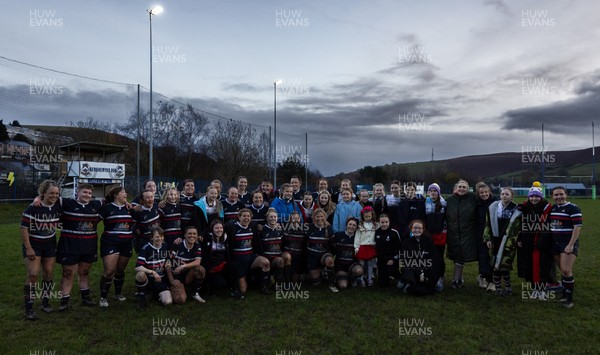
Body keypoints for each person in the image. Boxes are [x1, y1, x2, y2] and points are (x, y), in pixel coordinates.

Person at [54, 183, 101, 310]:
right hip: (69, 246)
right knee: (68, 273)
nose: (87, 195)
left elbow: (113, 199)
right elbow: (49, 197)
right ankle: (64, 302)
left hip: (89, 246)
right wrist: (38, 198)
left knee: (84, 272)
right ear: (77, 193)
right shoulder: (68, 203)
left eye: (90, 193)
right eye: (84, 192)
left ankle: (86, 298)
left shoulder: (96, 205)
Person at [21, 180, 62, 320]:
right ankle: (29, 308)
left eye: (57, 193)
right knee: (33, 274)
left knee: (49, 273)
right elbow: (24, 228)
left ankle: (45, 302)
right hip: (34, 246)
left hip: (50, 246)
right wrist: (28, 248)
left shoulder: (58, 206)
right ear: (44, 193)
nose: (54, 196)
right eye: (51, 193)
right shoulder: (33, 208)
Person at [515, 182, 553, 300]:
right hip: (528, 241)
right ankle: (534, 288)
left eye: (536, 196)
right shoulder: (525, 207)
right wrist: (520, 238)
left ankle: (542, 289)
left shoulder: (547, 208)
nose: (534, 198)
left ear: (541, 197)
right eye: (532, 196)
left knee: (542, 265)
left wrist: (544, 239)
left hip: (542, 240)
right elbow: (522, 225)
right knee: (530, 264)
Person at [98, 186, 134, 307]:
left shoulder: (130, 208)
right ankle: (103, 297)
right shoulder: (106, 208)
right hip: (110, 242)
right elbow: (93, 221)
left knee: (120, 270)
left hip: (126, 243)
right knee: (109, 271)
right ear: (115, 195)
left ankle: (118, 294)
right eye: (123, 192)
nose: (126, 194)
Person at [225, 209, 271, 299]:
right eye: (244, 216)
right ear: (239, 217)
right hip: (238, 260)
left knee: (265, 262)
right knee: (243, 291)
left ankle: (263, 287)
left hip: (250, 257)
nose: (246, 218)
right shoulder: (232, 226)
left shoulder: (253, 226)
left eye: (248, 216)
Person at [550, 186, 582, 308]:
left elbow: (577, 227)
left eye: (561, 194)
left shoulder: (573, 208)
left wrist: (570, 244)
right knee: (563, 270)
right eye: (556, 195)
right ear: (552, 196)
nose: (559, 197)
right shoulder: (553, 208)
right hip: (555, 243)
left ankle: (569, 299)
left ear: (566, 195)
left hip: (567, 243)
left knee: (566, 270)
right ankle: (564, 294)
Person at [483, 187, 520, 296]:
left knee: (504, 265)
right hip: (495, 239)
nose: (504, 196)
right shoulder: (493, 207)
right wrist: (487, 238)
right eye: (502, 194)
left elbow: (519, 227)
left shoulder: (516, 209)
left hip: (508, 241)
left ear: (512, 196)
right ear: (500, 195)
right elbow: (487, 224)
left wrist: (516, 240)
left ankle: (508, 288)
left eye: (507, 194)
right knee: (494, 264)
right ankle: (498, 287)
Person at [445, 179, 478, 289]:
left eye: (464, 187)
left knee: (461, 256)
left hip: (467, 233)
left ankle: (456, 279)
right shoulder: (450, 200)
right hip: (453, 232)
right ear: (456, 188)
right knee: (457, 256)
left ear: (468, 189)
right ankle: (458, 279)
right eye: (460, 186)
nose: (462, 189)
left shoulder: (473, 198)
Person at [398, 220, 440, 296]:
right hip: (412, 268)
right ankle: (409, 284)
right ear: (411, 229)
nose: (417, 230)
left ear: (423, 229)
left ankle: (425, 284)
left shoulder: (428, 241)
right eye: (415, 228)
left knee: (436, 266)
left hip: (426, 267)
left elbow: (434, 257)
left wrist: (424, 272)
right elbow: (405, 259)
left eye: (420, 228)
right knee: (407, 268)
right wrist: (419, 272)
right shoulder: (406, 242)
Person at [134, 226, 174, 307]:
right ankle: (143, 298)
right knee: (140, 274)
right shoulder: (146, 248)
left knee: (168, 302)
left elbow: (168, 264)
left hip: (161, 280)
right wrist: (153, 272)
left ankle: (153, 294)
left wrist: (171, 280)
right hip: (149, 279)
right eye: (157, 237)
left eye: (161, 236)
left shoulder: (165, 246)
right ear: (151, 238)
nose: (160, 239)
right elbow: (138, 267)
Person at [166, 225, 206, 303]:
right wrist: (171, 280)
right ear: (185, 235)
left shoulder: (197, 245)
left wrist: (183, 266)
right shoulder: (178, 245)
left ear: (197, 236)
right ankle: (173, 288)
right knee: (180, 300)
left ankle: (195, 293)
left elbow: (198, 262)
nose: (192, 236)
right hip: (176, 276)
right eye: (189, 233)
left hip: (188, 275)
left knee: (200, 269)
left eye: (194, 234)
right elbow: (167, 263)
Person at [306, 209, 338, 292]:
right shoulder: (310, 227)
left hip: (324, 255)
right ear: (314, 218)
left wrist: (330, 254)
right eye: (317, 216)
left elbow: (333, 244)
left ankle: (331, 284)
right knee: (316, 282)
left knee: (330, 261)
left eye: (321, 216)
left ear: (325, 217)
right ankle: (323, 272)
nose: (319, 218)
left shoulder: (329, 228)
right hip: (312, 256)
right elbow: (304, 242)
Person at [258, 209, 292, 283]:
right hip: (266, 257)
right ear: (267, 218)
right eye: (271, 217)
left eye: (274, 217)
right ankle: (265, 283)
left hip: (277, 256)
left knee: (284, 258)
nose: (273, 218)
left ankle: (282, 282)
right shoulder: (262, 229)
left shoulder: (280, 229)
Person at [474, 182, 497, 291]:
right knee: (482, 257)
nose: (484, 194)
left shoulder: (496, 202)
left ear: (489, 192)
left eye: (486, 192)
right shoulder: (477, 204)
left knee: (493, 257)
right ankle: (483, 277)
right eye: (481, 193)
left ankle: (493, 280)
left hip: (494, 233)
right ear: (478, 194)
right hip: (480, 234)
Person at [424, 183, 447, 291]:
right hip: (429, 235)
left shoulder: (444, 203)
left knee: (439, 258)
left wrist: (444, 231)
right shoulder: (425, 202)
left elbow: (446, 219)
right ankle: (430, 276)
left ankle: (440, 278)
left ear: (438, 192)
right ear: (428, 192)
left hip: (440, 235)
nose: (433, 193)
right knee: (428, 257)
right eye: (431, 191)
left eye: (435, 191)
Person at [331, 217, 364, 290]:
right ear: (346, 225)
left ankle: (352, 278)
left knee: (359, 271)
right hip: (340, 265)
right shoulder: (338, 235)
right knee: (343, 286)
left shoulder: (358, 237)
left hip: (352, 264)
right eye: (350, 224)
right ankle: (339, 277)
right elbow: (331, 248)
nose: (351, 226)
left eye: (354, 225)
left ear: (356, 227)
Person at [201, 220, 230, 296]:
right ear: (212, 229)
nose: (219, 230)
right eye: (216, 228)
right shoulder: (207, 238)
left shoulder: (226, 237)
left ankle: (233, 289)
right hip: (211, 266)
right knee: (220, 283)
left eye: (221, 228)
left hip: (223, 265)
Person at [374, 214, 402, 287]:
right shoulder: (376, 232)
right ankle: (387, 277)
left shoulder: (394, 232)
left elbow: (399, 249)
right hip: (381, 260)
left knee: (391, 268)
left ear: (389, 222)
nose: (384, 224)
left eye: (386, 222)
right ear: (379, 222)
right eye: (382, 222)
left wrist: (393, 259)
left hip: (392, 259)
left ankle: (400, 278)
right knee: (383, 285)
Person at [354, 206, 378, 286]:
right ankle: (361, 278)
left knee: (370, 264)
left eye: (369, 216)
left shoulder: (375, 225)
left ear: (372, 216)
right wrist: (356, 247)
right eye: (366, 217)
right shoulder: (360, 225)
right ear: (363, 217)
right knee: (362, 264)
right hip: (362, 247)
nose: (368, 218)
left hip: (371, 247)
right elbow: (357, 237)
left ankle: (370, 279)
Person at [130, 189, 161, 253]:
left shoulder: (156, 205)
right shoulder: (138, 211)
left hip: (157, 239)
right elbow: (132, 225)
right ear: (142, 200)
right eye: (147, 197)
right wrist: (136, 230)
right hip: (144, 240)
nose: (150, 199)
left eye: (151, 197)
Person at [282, 211, 306, 282]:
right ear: (290, 219)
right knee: (287, 257)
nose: (295, 220)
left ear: (299, 219)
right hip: (287, 254)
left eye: (297, 218)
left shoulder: (304, 229)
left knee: (295, 281)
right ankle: (287, 281)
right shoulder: (284, 228)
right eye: (293, 218)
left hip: (298, 256)